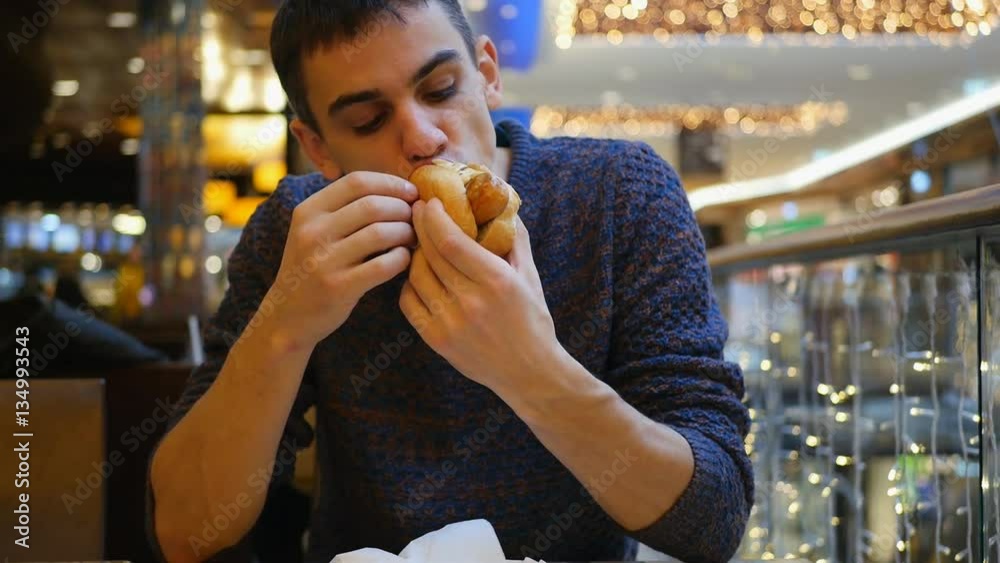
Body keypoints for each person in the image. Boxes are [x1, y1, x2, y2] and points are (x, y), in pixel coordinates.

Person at [146, 1, 754, 562]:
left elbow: (712, 519)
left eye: (441, 90)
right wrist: (284, 326)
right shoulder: (299, 232)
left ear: (487, 74)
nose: (423, 138)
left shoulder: (616, 194)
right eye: (367, 120)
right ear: (318, 148)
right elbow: (183, 528)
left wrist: (530, 369)